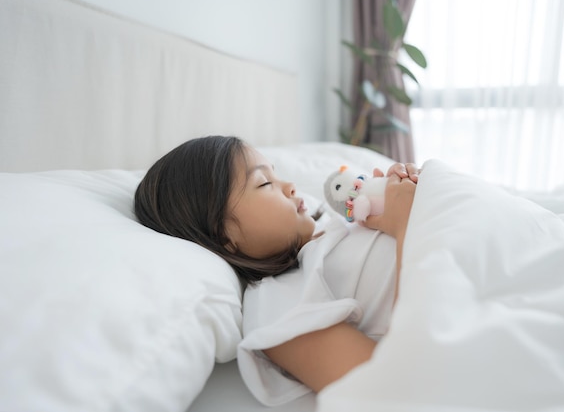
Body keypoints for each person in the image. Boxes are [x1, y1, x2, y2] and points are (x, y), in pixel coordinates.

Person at [134, 135, 419, 402]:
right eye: (264, 183)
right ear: (223, 236)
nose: (290, 185)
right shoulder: (276, 303)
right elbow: (387, 391)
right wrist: (408, 224)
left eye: (276, 173)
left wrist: (403, 194)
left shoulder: (332, 226)